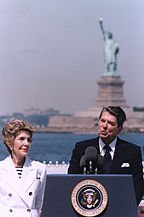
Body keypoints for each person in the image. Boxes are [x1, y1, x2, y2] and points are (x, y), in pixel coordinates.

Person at [68, 106, 144, 206]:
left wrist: (127, 208)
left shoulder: (132, 152)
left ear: (119, 129)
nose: (104, 126)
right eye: (102, 121)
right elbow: (71, 181)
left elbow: (137, 187)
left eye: (111, 123)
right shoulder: (82, 149)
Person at [0, 119, 47, 217]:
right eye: (21, 139)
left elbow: (39, 204)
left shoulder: (40, 169)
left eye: (29, 140)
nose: (26, 143)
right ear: (10, 143)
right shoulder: (1, 169)